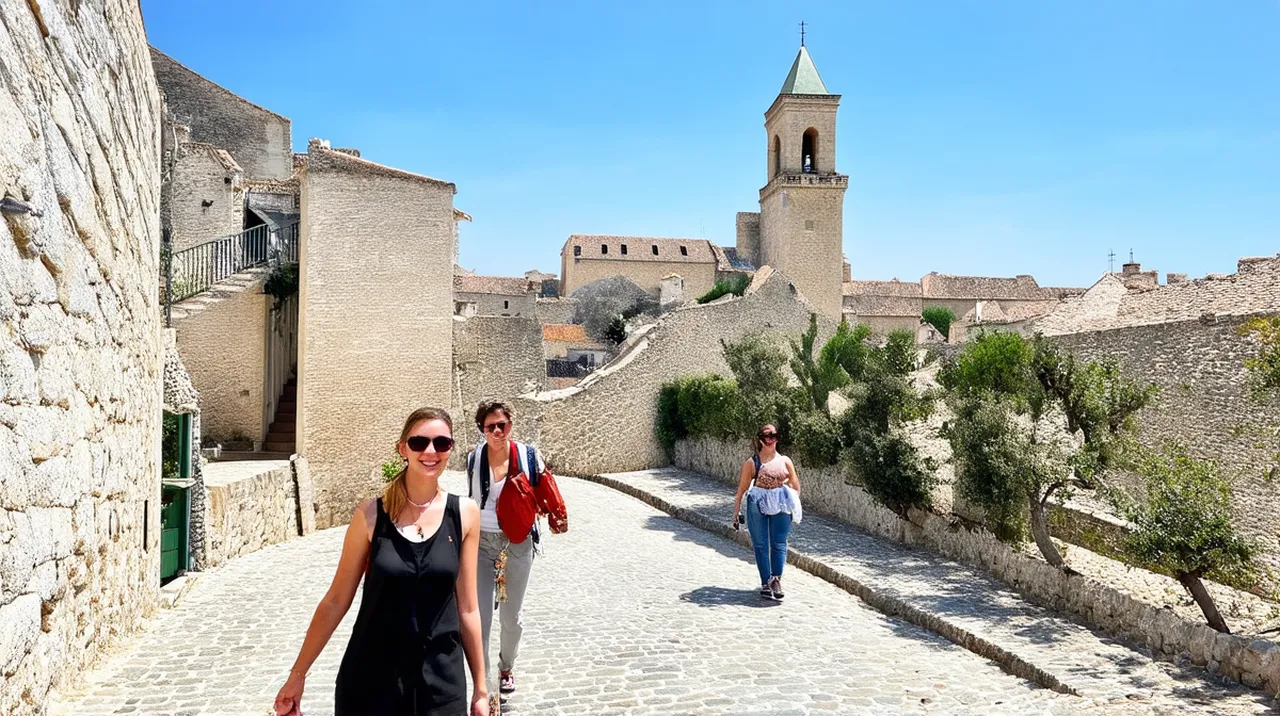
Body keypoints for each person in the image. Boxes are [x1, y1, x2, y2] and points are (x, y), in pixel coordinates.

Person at [273, 407, 489, 716]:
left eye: (441, 443)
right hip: (372, 680)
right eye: (419, 443)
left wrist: (481, 688)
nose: (431, 451)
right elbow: (336, 600)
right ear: (403, 448)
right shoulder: (371, 515)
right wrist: (298, 675)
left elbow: (468, 607)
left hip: (441, 681)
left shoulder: (465, 514)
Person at [466, 400, 546, 701]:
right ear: (482, 430)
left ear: (511, 425)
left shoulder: (528, 455)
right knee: (481, 617)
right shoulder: (474, 458)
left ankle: (506, 667)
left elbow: (542, 492)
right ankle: (483, 683)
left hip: (517, 543)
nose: (498, 431)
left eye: (503, 425)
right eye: (491, 426)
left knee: (511, 617)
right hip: (482, 543)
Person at [731, 423, 801, 601]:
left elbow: (795, 486)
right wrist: (736, 513)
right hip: (757, 502)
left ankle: (776, 579)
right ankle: (765, 581)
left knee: (779, 543)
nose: (772, 440)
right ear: (761, 440)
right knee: (760, 544)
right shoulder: (752, 463)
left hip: (780, 503)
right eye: (768, 437)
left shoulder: (785, 461)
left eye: (775, 436)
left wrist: (789, 497)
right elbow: (741, 491)